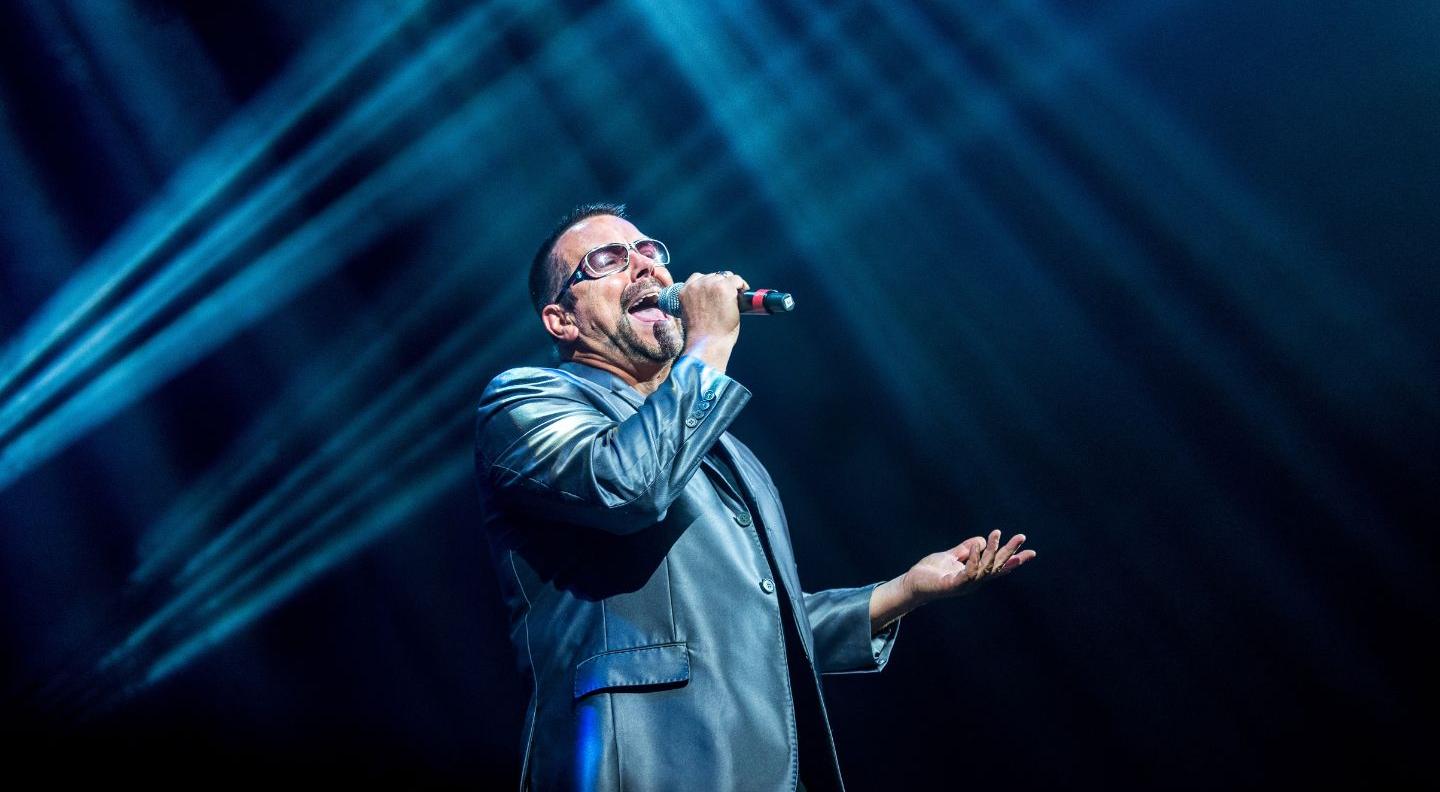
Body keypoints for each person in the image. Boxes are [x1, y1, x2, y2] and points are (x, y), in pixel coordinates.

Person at [472, 203, 1036, 791]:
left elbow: (755, 624)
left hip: (763, 767)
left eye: (649, 252)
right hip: (640, 762)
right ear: (562, 320)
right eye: (608, 260)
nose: (644, 267)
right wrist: (710, 341)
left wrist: (903, 592)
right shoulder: (524, 401)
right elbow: (624, 486)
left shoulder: (731, 452)